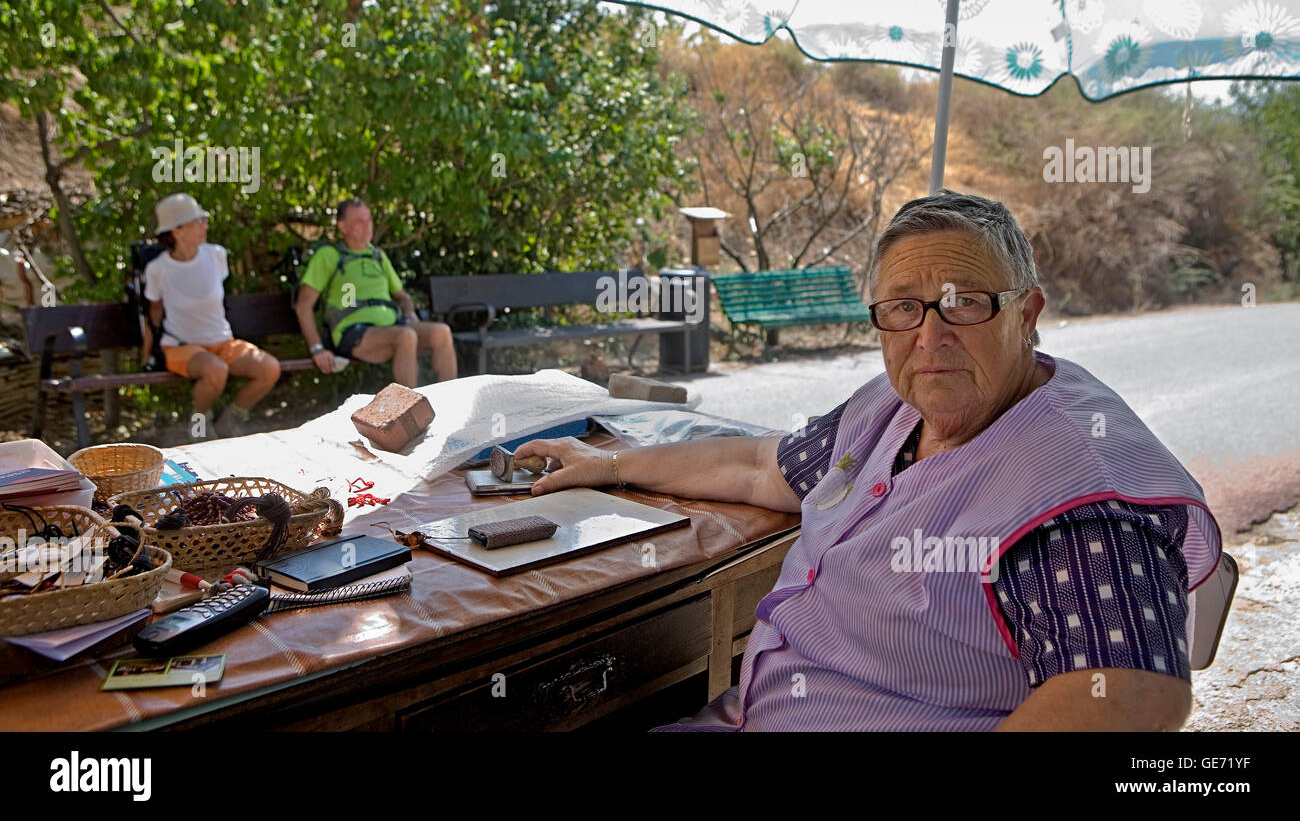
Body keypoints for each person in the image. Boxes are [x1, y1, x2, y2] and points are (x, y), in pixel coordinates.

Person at [517, 190, 1222, 732]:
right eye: (904, 309)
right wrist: (610, 465)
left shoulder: (1073, 488)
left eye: (964, 304)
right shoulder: (892, 409)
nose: (930, 337)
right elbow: (763, 467)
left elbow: (1132, 692)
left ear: (1027, 313)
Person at [143, 193, 281, 438]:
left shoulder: (216, 255)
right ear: (176, 230)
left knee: (269, 369)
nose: (204, 225)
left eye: (203, 219)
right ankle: (199, 426)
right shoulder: (158, 269)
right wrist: (147, 353)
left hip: (223, 343)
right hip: (182, 347)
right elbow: (153, 312)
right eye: (197, 221)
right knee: (216, 370)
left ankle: (231, 420)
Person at [295, 198, 456, 388]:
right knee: (406, 337)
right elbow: (303, 304)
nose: (367, 226)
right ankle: (411, 412)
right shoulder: (329, 256)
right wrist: (317, 348)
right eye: (359, 221)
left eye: (369, 219)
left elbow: (402, 296)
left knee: (442, 332)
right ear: (342, 226)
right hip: (352, 332)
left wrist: (411, 315)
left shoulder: (378, 256)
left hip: (393, 326)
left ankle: (449, 401)